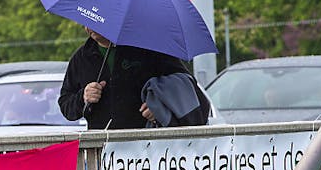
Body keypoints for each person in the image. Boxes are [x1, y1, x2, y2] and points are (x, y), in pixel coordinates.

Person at [57, 26, 208, 129]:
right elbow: (65, 105)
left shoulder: (147, 49)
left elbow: (185, 86)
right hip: (102, 152)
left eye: (96, 19)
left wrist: (160, 108)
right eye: (86, 20)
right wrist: (83, 97)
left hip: (146, 149)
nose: (89, 26)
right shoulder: (80, 58)